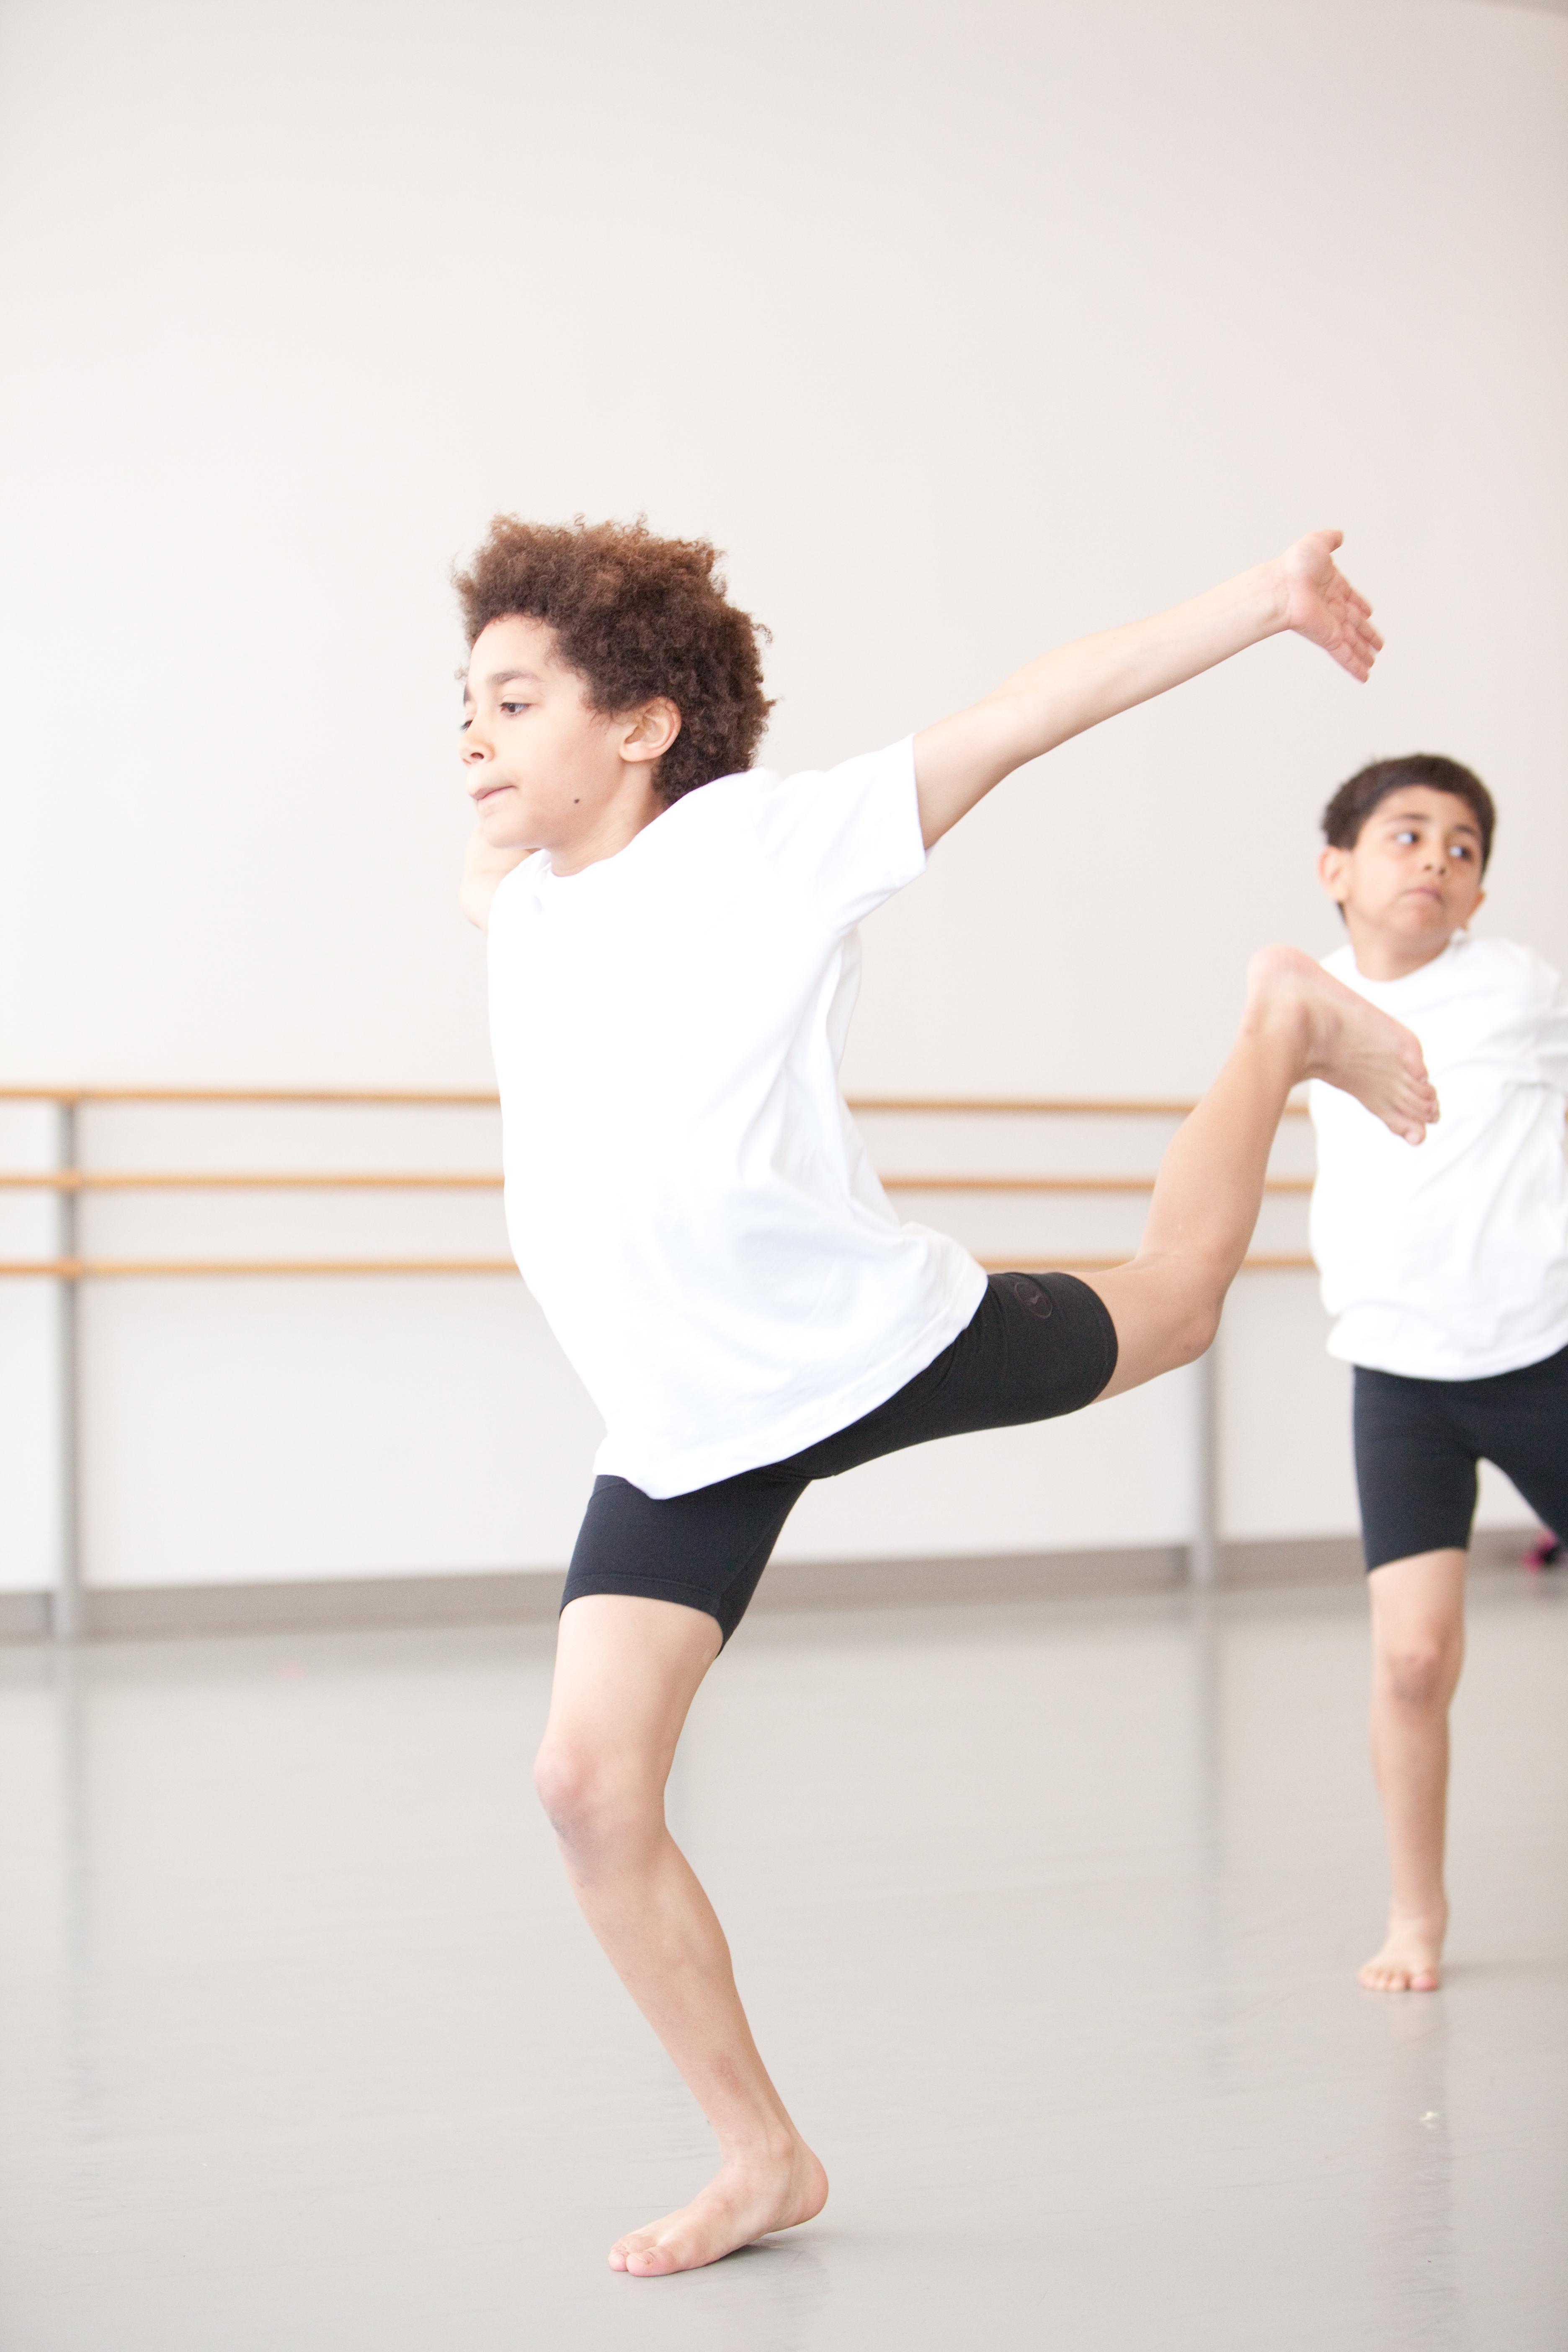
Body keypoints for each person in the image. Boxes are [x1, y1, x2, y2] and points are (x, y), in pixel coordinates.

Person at [456, 516, 1431, 2276]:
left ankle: (1281, 1037)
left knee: (1186, 1308)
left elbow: (1026, 712)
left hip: (867, 1340)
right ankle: (763, 2158)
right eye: (465, 705)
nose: (473, 738)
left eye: (515, 702)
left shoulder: (764, 844)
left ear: (646, 725)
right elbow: (525, 899)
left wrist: (1264, 601)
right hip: (689, 1430)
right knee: (587, 1787)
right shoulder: (520, 906)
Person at [1307, 755, 1568, 1995]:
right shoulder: (1307, 1003)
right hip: (1400, 1376)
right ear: (1337, 870)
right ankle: (1417, 1918)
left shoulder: (1518, 989)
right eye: (1407, 835)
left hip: (1542, 1353)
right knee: (1411, 1660)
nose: (1437, 860)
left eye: (1464, 848)